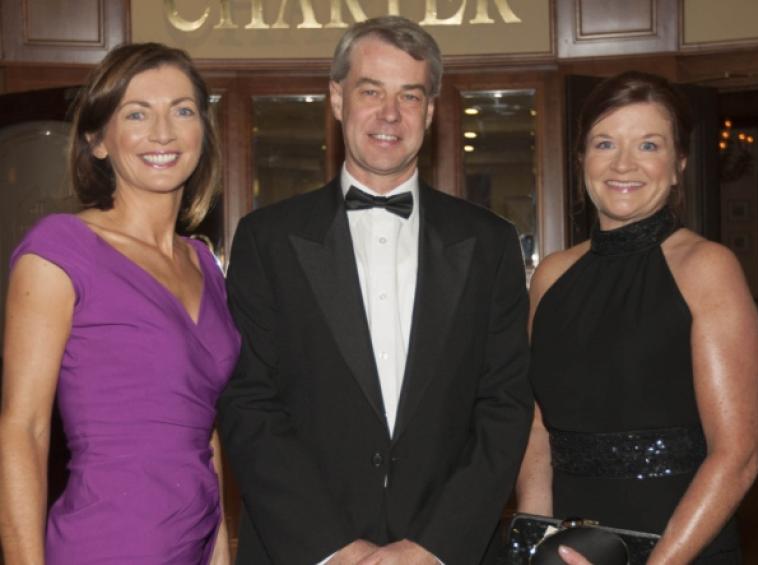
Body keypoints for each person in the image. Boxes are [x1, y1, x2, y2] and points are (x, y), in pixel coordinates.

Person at [218, 15, 532, 565]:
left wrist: (434, 546)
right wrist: (333, 548)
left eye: (409, 96)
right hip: (304, 550)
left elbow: (504, 408)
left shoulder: (490, 242)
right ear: (337, 99)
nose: (390, 114)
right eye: (371, 91)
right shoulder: (267, 239)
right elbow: (249, 404)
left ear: (430, 112)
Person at [0, 43, 240, 564]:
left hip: (194, 547)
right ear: (98, 140)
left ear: (203, 130)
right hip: (105, 546)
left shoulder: (204, 266)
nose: (163, 132)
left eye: (182, 110)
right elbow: (23, 430)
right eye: (137, 113)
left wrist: (220, 554)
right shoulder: (61, 249)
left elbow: (204, 434)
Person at [515, 71, 758, 563]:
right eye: (605, 143)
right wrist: (536, 541)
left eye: (649, 145)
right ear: (582, 159)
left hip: (681, 549)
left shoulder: (706, 268)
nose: (623, 163)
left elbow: (737, 456)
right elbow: (537, 426)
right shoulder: (550, 276)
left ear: (678, 166)